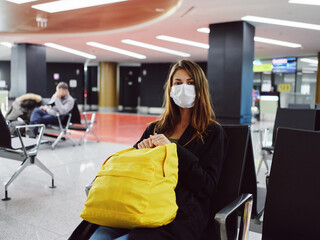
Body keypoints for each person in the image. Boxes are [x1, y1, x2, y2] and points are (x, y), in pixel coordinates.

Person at [70, 60, 226, 240]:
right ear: (170, 88)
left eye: (190, 83)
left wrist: (172, 149)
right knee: (95, 237)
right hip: (136, 203)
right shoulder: (155, 128)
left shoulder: (212, 132)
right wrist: (139, 151)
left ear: (200, 88)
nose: (184, 88)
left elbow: (207, 186)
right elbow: (132, 166)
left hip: (178, 213)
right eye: (178, 83)